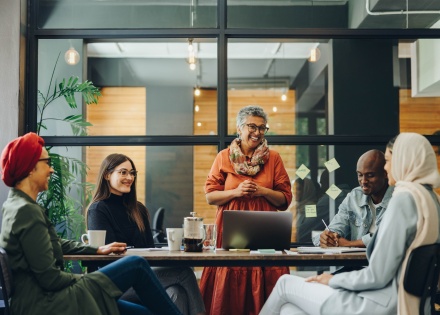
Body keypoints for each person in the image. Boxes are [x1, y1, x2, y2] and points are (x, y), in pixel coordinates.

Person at [0, 132, 182, 315]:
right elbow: (50, 279)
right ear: (31, 167)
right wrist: (91, 281)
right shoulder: (27, 211)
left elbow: (53, 242)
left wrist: (96, 249)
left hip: (47, 296)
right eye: (47, 163)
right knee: (136, 264)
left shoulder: (17, 205)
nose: (52, 170)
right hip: (47, 301)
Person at [260, 132, 440, 315]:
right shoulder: (430, 199)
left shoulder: (403, 199)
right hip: (411, 302)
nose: (386, 168)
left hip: (378, 303)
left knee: (284, 284)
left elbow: (377, 275)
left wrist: (331, 280)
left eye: (388, 160)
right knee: (289, 311)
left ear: (404, 160)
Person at [199, 105, 293, 315]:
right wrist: (236, 192)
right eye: (252, 126)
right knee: (232, 277)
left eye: (262, 128)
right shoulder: (224, 157)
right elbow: (210, 196)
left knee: (265, 273)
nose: (257, 132)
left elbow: (285, 199)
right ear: (239, 128)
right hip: (230, 232)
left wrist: (262, 191)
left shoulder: (274, 158)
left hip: (266, 231)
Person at [86, 153, 206, 315]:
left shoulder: (138, 209)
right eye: (123, 172)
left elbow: (150, 249)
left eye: (132, 173)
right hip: (114, 283)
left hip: (141, 277)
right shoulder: (98, 209)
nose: (129, 177)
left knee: (177, 292)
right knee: (183, 272)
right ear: (107, 175)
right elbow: (107, 259)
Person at [312, 149, 394, 248]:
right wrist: (327, 238)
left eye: (370, 175)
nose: (363, 181)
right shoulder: (354, 197)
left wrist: (349, 244)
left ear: (385, 173)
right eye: (360, 175)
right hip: (354, 263)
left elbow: (387, 237)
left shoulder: (397, 198)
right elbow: (336, 227)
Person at [288, 177, 319, 244]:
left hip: (304, 245)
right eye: (293, 188)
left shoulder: (311, 207)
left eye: (298, 189)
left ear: (306, 190)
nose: (294, 191)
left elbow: (307, 230)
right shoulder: (294, 208)